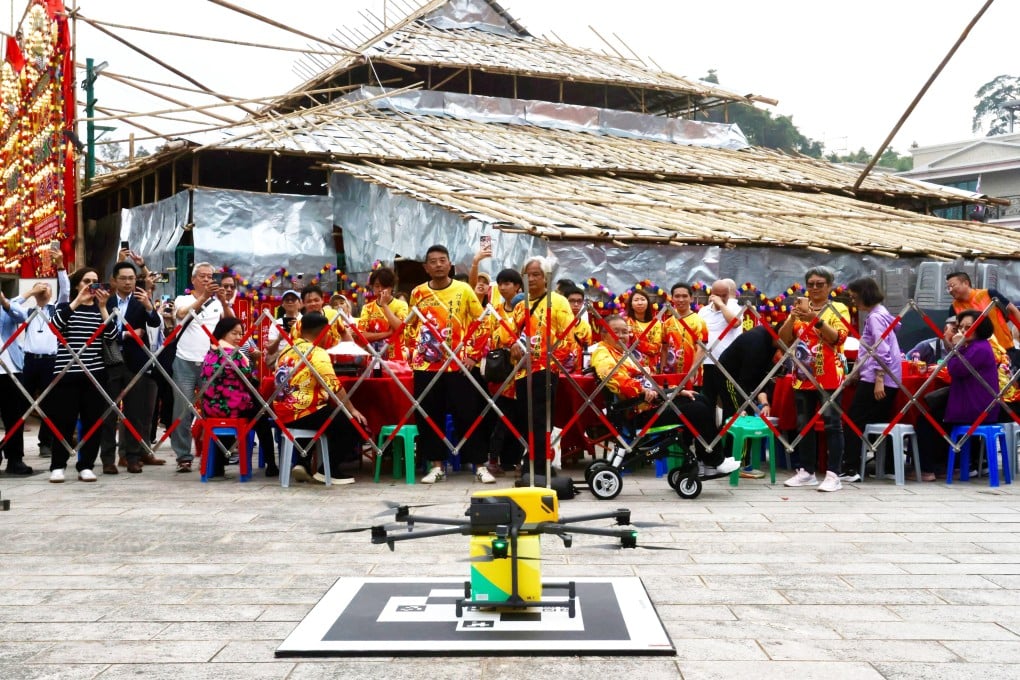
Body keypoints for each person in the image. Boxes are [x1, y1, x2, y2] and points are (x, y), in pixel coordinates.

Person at [592, 314, 739, 476]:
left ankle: (706, 461)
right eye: (615, 332)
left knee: (700, 399)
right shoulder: (603, 354)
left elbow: (647, 382)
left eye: (624, 332)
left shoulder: (621, 353)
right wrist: (643, 391)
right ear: (604, 334)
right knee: (697, 410)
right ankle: (715, 461)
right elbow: (614, 378)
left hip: (650, 403)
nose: (621, 336)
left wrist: (676, 391)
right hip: (636, 411)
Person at [404, 245, 487, 484]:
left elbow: (482, 322)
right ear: (426, 267)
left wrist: (473, 355)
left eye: (443, 260)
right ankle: (436, 465)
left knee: (468, 413)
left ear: (450, 264)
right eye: (433, 261)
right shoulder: (418, 292)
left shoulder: (464, 290)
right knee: (429, 415)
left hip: (459, 365)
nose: (438, 265)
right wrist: (412, 352)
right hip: (426, 366)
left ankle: (479, 465)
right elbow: (410, 326)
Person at [499, 256, 573, 474]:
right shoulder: (520, 306)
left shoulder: (558, 302)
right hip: (522, 371)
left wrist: (549, 360)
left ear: (546, 277)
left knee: (541, 419)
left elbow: (568, 337)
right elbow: (507, 334)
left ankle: (539, 466)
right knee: (526, 418)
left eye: (536, 275)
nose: (531, 279)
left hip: (546, 370)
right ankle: (531, 460)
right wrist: (513, 344)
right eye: (527, 275)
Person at [274, 312, 366, 484]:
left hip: (282, 412)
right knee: (354, 424)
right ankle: (328, 470)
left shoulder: (286, 350)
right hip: (304, 411)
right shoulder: (316, 353)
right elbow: (333, 385)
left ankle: (303, 463)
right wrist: (352, 410)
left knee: (326, 414)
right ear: (324, 332)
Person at [779, 266, 850, 488]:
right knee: (804, 425)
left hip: (829, 375)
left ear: (829, 286)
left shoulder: (838, 308)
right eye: (811, 284)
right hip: (802, 375)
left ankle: (833, 474)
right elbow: (784, 339)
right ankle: (807, 471)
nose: (815, 288)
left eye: (820, 284)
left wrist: (815, 319)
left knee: (832, 424)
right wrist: (792, 318)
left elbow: (838, 338)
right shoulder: (800, 309)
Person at [46, 268, 118, 482]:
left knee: (92, 422)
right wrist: (77, 301)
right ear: (77, 284)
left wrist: (103, 307)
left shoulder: (101, 309)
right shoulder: (65, 307)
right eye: (86, 281)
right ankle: (58, 465)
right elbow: (55, 327)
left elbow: (112, 336)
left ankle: (86, 465)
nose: (91, 285)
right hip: (66, 373)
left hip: (94, 373)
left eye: (95, 281)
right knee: (63, 421)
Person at [916, 309, 1000, 480]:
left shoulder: (979, 348)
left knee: (926, 420)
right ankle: (946, 466)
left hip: (974, 407)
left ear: (980, 327)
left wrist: (957, 347)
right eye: (961, 327)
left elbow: (956, 369)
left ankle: (928, 469)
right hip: (971, 402)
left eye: (968, 327)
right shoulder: (976, 346)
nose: (963, 331)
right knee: (933, 413)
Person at [102, 261, 164, 474]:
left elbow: (154, 324)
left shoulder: (140, 301)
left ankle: (133, 457)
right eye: (123, 278)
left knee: (135, 411)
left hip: (135, 362)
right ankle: (108, 459)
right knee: (109, 411)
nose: (128, 282)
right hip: (110, 361)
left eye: (131, 278)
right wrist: (126, 334)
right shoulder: (106, 302)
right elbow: (103, 331)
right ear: (114, 280)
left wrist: (149, 307)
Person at [840, 277, 902, 489]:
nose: (853, 301)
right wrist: (855, 373)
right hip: (885, 377)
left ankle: (851, 468)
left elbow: (881, 349)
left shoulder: (875, 318)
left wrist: (878, 378)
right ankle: (889, 466)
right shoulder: (882, 314)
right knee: (880, 420)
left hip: (878, 378)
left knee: (853, 420)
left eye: (854, 297)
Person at [170, 262, 232, 473]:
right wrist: (204, 297)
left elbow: (231, 325)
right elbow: (181, 314)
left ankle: (212, 454)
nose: (207, 279)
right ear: (193, 279)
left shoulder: (217, 302)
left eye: (210, 276)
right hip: (184, 361)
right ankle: (183, 456)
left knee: (213, 409)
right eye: (202, 276)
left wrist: (223, 302)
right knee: (182, 410)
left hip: (210, 363)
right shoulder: (184, 298)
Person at [198, 318, 277, 478]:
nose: (238, 337)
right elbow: (250, 379)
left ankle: (218, 464)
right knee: (261, 416)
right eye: (234, 333)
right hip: (233, 408)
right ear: (223, 333)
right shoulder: (234, 355)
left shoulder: (209, 353)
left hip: (210, 409)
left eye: (240, 334)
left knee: (243, 413)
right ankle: (271, 464)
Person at [11, 252, 69, 459]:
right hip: (29, 362)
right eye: (40, 287)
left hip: (51, 362)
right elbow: (9, 305)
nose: (43, 289)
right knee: (20, 402)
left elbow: (66, 291)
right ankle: (14, 444)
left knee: (49, 403)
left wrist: (60, 266)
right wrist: (30, 292)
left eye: (46, 286)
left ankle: (46, 442)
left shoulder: (57, 310)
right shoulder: (27, 312)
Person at [717, 323, 780, 479]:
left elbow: (760, 377)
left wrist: (764, 402)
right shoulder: (758, 343)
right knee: (742, 419)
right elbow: (747, 380)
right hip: (730, 378)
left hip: (742, 379)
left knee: (742, 416)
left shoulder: (770, 342)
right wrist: (744, 406)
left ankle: (730, 460)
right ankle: (739, 465)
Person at [485, 268, 525, 476]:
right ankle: (493, 460)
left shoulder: (527, 309)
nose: (502, 287)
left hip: (524, 371)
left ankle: (521, 461)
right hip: (503, 373)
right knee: (502, 418)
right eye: (500, 283)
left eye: (507, 283)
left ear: (518, 286)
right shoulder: (495, 310)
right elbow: (492, 336)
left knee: (523, 419)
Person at [698, 279, 743, 421]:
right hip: (708, 363)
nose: (721, 298)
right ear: (711, 294)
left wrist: (722, 305)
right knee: (707, 401)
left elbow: (735, 323)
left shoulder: (734, 308)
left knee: (729, 402)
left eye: (724, 295)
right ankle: (710, 433)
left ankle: (728, 432)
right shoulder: (703, 311)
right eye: (718, 295)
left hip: (728, 364)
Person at [945, 271, 1020, 355]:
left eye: (952, 286)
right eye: (948, 288)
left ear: (966, 283)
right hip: (976, 353)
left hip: (1005, 348)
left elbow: (1013, 310)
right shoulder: (954, 307)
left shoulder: (989, 294)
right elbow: (951, 331)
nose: (950, 290)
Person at [0, 288, 31, 475]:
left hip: (10, 369)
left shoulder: (7, 306)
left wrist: (5, 303)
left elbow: (22, 316)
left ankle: (15, 459)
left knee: (14, 416)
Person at [662, 282, 708, 388]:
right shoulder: (667, 323)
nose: (681, 299)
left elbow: (701, 349)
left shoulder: (699, 322)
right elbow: (664, 349)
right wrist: (663, 372)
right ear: (672, 298)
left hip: (693, 377)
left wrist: (691, 373)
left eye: (684, 296)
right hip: (672, 377)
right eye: (677, 296)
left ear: (691, 298)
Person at [357, 267, 408, 361]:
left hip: (396, 357)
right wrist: (388, 333)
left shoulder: (401, 305)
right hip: (374, 357)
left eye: (384, 286)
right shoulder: (367, 308)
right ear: (372, 287)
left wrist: (384, 305)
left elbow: (399, 328)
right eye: (377, 286)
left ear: (391, 287)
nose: (380, 289)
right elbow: (361, 335)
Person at [625, 288, 662, 372]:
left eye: (642, 299)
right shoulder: (626, 322)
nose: (640, 303)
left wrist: (634, 338)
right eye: (636, 300)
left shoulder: (656, 324)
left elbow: (655, 349)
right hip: (631, 368)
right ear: (631, 304)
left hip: (651, 370)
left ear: (648, 303)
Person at [563, 285, 592, 373]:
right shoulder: (557, 324)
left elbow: (587, 349)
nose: (576, 304)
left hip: (577, 371)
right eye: (572, 301)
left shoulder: (585, 327)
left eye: (579, 301)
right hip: (558, 369)